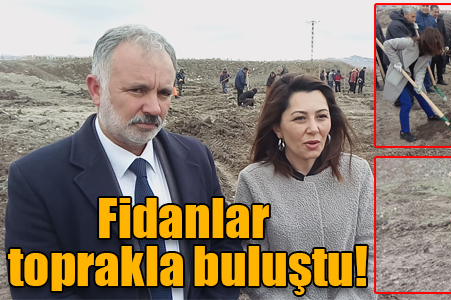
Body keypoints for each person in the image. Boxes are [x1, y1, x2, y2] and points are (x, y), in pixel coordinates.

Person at [5, 24, 239, 299]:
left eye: (164, 93)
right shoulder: (36, 179)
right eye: (138, 90)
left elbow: (224, 251)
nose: (154, 108)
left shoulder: (196, 157)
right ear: (96, 90)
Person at [236, 74, 375, 299]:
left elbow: (370, 251)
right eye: (300, 118)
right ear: (278, 128)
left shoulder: (357, 172)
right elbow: (252, 264)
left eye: (321, 116)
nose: (314, 128)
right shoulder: (253, 182)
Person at [382, 27, 444, 143]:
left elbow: (421, 70)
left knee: (421, 95)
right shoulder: (408, 43)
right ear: (427, 41)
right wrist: (396, 62)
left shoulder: (427, 54)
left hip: (410, 78)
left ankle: (431, 116)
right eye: (432, 44)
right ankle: (404, 132)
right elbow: (387, 44)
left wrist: (419, 84)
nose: (433, 47)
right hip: (398, 76)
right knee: (406, 103)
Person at [429, 5, 449, 86]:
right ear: (431, 11)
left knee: (440, 62)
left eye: (438, 12)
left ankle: (440, 79)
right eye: (435, 12)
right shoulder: (428, 20)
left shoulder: (441, 20)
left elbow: (444, 33)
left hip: (440, 46)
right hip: (431, 45)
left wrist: (446, 45)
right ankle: (432, 80)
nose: (437, 14)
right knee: (432, 63)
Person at [376, 20, 390, 88]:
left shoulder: (376, 20)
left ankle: (387, 81)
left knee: (383, 64)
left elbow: (380, 34)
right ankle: (376, 84)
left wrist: (384, 44)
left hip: (380, 46)